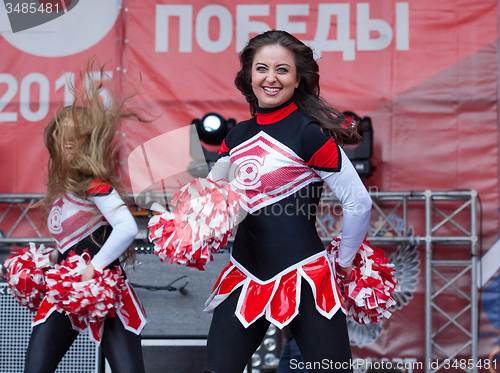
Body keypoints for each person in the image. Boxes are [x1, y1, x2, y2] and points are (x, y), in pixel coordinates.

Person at [202, 30, 372, 373]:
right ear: (249, 75)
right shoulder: (235, 136)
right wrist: (185, 220)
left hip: (305, 276)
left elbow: (359, 202)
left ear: (298, 79)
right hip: (244, 275)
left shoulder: (310, 132)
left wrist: (343, 261)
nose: (270, 78)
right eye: (262, 68)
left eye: (282, 70)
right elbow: (212, 198)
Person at [23, 61, 148, 373]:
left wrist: (94, 267)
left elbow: (127, 227)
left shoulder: (96, 185)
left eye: (74, 136)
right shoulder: (60, 191)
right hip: (66, 290)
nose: (67, 141)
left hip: (103, 287)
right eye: (61, 135)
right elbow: (72, 244)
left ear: (87, 141)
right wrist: (45, 261)